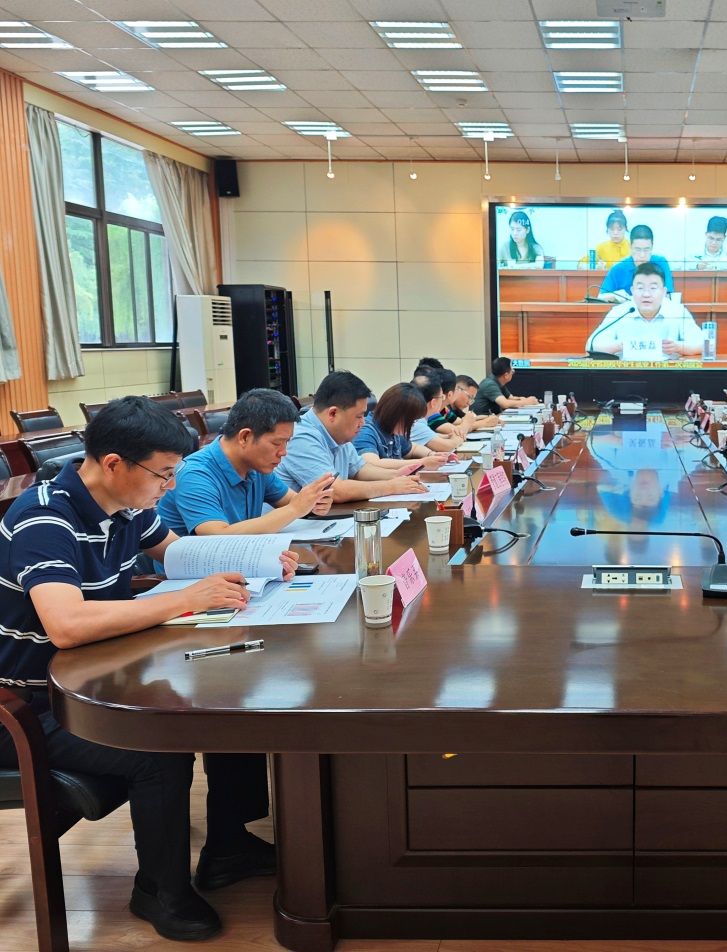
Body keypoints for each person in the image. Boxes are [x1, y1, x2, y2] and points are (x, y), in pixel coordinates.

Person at [0, 397, 288, 941]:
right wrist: (185, 601)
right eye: (163, 474)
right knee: (159, 749)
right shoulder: (45, 517)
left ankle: (228, 847)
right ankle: (159, 890)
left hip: (97, 676)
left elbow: (178, 556)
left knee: (230, 694)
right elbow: (66, 624)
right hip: (35, 706)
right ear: (114, 464)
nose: (170, 486)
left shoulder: (127, 504)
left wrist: (256, 564)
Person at [157, 388, 336, 537]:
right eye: (276, 443)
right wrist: (296, 509)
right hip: (198, 569)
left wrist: (314, 503)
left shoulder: (256, 466)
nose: (284, 452)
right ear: (245, 437)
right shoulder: (195, 474)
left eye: (287, 442)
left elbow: (293, 502)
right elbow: (217, 536)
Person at [274, 370, 432, 502]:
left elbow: (359, 469)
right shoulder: (301, 437)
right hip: (295, 527)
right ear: (333, 413)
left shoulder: (338, 435)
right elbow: (334, 490)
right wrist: (391, 486)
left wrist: (396, 476)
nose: (363, 423)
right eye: (359, 416)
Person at [587, 262, 703, 360]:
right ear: (632, 290)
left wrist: (677, 347)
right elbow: (591, 345)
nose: (646, 294)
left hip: (668, 374)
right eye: (640, 288)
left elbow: (702, 344)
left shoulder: (677, 311)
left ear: (664, 292)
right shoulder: (620, 312)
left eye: (653, 288)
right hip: (627, 373)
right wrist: (622, 345)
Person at [354, 381, 452, 470]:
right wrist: (421, 463)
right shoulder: (365, 431)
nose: (412, 426)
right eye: (410, 421)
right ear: (396, 414)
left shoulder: (392, 428)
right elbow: (371, 464)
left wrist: (433, 455)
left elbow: (412, 449)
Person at [597, 224, 675, 302]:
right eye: (637, 249)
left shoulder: (661, 262)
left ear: (652, 247)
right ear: (630, 247)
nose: (642, 255)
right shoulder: (618, 268)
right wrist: (615, 295)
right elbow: (600, 297)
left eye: (646, 250)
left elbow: (667, 296)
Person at [473, 357, 540, 415]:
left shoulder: (498, 381)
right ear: (506, 375)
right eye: (512, 371)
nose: (513, 373)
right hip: (481, 420)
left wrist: (524, 399)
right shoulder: (489, 384)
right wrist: (526, 402)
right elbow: (505, 404)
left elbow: (510, 398)